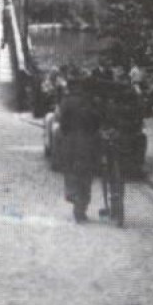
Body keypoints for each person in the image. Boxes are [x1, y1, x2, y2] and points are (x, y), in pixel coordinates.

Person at [57, 81, 104, 223]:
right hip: (88, 143)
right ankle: (81, 207)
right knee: (86, 175)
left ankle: (73, 195)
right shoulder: (90, 102)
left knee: (71, 171)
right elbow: (97, 121)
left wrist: (66, 134)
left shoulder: (66, 102)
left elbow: (62, 122)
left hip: (71, 142)